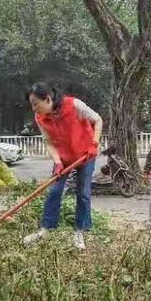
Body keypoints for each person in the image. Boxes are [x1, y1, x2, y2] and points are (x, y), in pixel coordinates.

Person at [24, 82, 103, 250]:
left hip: (86, 153)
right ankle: (45, 229)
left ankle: (79, 232)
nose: (34, 109)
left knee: (83, 193)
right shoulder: (40, 118)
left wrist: (94, 144)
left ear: (48, 99)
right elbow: (49, 142)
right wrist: (58, 162)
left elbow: (98, 120)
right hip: (63, 157)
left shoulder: (74, 105)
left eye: (36, 104)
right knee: (54, 191)